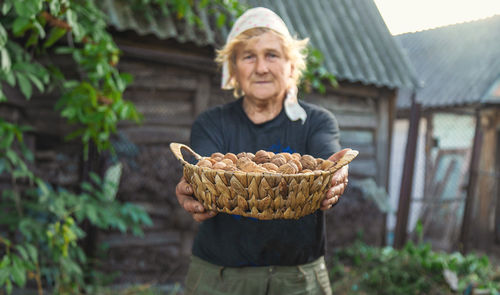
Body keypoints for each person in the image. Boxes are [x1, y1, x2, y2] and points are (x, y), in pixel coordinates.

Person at [175, 7, 349, 295]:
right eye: (248, 56)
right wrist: (193, 186)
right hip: (220, 277)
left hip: (298, 278)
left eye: (272, 55)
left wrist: (338, 170)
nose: (261, 68)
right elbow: (200, 167)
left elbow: (330, 158)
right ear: (233, 69)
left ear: (291, 66)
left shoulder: (317, 121)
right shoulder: (212, 122)